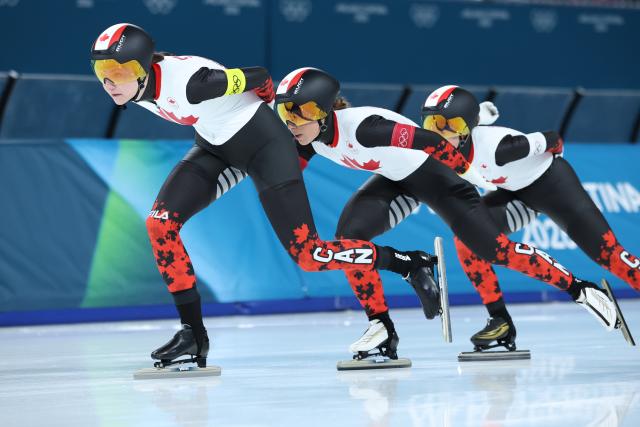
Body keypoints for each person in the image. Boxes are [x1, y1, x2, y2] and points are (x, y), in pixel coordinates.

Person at [89, 23, 468, 369]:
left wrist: (273, 121)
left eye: (119, 72)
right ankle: (193, 335)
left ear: (141, 66)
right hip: (215, 147)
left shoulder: (192, 84)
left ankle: (408, 263)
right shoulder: (135, 87)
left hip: (264, 146)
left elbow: (259, 77)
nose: (110, 83)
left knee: (309, 255)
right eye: (102, 74)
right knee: (160, 225)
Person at [274, 68, 618, 357]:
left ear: (321, 110)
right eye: (284, 114)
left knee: (493, 249)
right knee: (350, 239)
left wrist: (467, 173)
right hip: (395, 180)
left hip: (437, 176)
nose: (291, 122)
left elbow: (431, 141)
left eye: (298, 112)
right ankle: (382, 323)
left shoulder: (365, 128)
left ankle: (580, 289)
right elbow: (286, 175)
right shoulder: (308, 136)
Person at [420, 85, 639, 350]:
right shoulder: (437, 148)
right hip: (513, 193)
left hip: (552, 185)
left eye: (448, 126)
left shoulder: (501, 148)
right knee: (468, 242)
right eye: (431, 123)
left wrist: (555, 166)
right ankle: (499, 320)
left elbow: (554, 139)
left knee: (611, 256)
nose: (437, 134)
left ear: (465, 131)